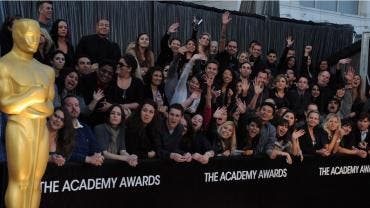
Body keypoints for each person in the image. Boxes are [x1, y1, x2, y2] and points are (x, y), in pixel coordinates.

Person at [0, 19, 55, 208]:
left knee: (35, 182)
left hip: (41, 129)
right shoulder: (4, 65)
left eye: (37, 36)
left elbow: (50, 108)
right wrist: (33, 95)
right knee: (20, 180)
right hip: (19, 127)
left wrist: (26, 102)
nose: (35, 40)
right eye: (29, 36)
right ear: (17, 35)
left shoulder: (46, 71)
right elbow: (6, 105)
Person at [63, 95, 104, 166]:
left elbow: (96, 148)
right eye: (69, 105)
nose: (74, 108)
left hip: (85, 173)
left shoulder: (85, 127)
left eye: (76, 105)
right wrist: (87, 159)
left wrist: (97, 156)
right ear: (63, 108)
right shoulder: (59, 127)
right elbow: (63, 153)